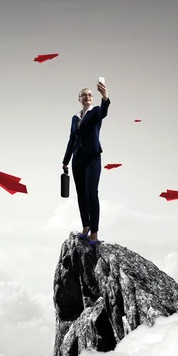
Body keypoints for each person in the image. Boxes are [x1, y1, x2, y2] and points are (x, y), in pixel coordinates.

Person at [61, 81, 110, 246]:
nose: (88, 97)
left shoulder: (95, 112)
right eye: (84, 95)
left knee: (91, 193)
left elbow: (104, 112)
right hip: (77, 158)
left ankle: (94, 233)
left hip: (93, 158)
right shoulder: (75, 117)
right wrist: (66, 160)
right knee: (81, 193)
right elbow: (72, 139)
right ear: (79, 99)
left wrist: (105, 96)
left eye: (90, 94)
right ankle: (86, 226)